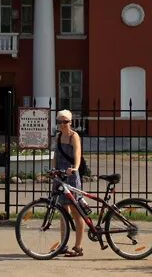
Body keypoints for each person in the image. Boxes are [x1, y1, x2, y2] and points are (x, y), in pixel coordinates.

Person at [55, 109, 85, 258]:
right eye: (60, 122)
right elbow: (56, 155)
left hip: (71, 175)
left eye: (65, 121)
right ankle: (63, 244)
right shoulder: (58, 136)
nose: (62, 124)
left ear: (70, 122)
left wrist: (75, 168)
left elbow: (78, 153)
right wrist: (53, 171)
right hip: (60, 176)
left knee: (75, 210)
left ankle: (78, 246)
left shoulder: (74, 136)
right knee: (62, 212)